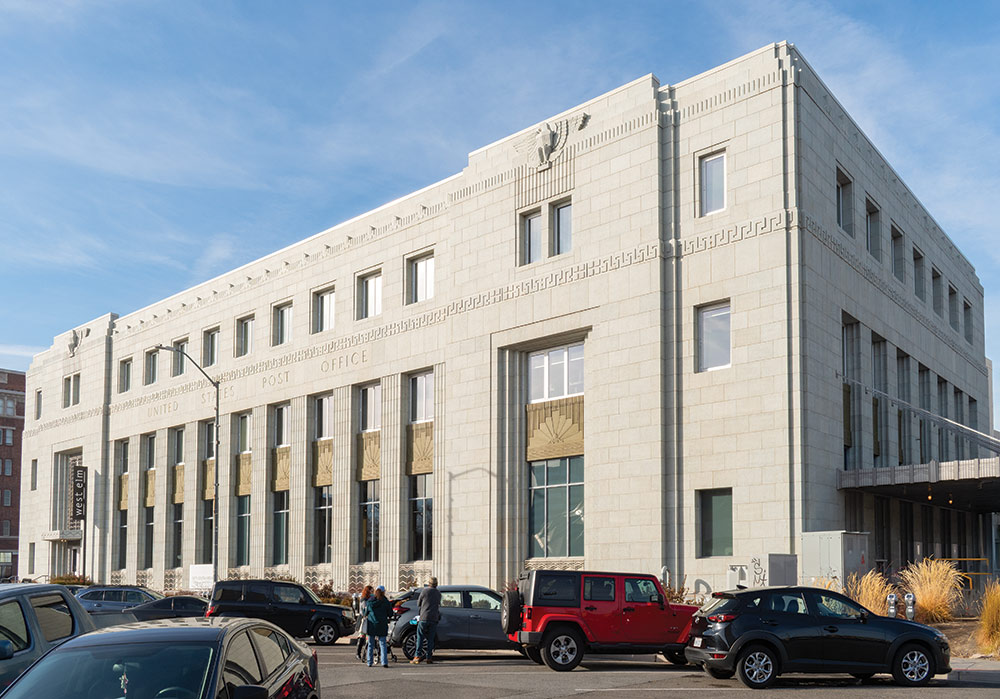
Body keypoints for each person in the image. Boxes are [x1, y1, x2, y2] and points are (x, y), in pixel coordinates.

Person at [411, 576, 441, 664]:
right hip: (434, 618)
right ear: (436, 584)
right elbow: (438, 604)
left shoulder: (424, 591)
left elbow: (418, 603)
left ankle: (417, 656)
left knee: (420, 637)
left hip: (424, 617)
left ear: (429, 583)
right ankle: (429, 657)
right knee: (430, 639)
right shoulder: (438, 593)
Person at [366, 586, 392, 668]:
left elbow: (365, 612)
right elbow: (390, 613)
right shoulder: (386, 602)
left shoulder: (370, 601)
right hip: (382, 624)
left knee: (370, 644)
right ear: (384, 592)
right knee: (382, 643)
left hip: (372, 624)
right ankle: (384, 662)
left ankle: (369, 662)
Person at [355, 585, 374, 662]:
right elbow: (363, 610)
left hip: (368, 618)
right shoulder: (364, 599)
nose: (372, 592)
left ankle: (365, 653)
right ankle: (358, 653)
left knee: (367, 636)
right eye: (371, 591)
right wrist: (365, 614)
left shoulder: (370, 599)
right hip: (364, 618)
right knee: (362, 635)